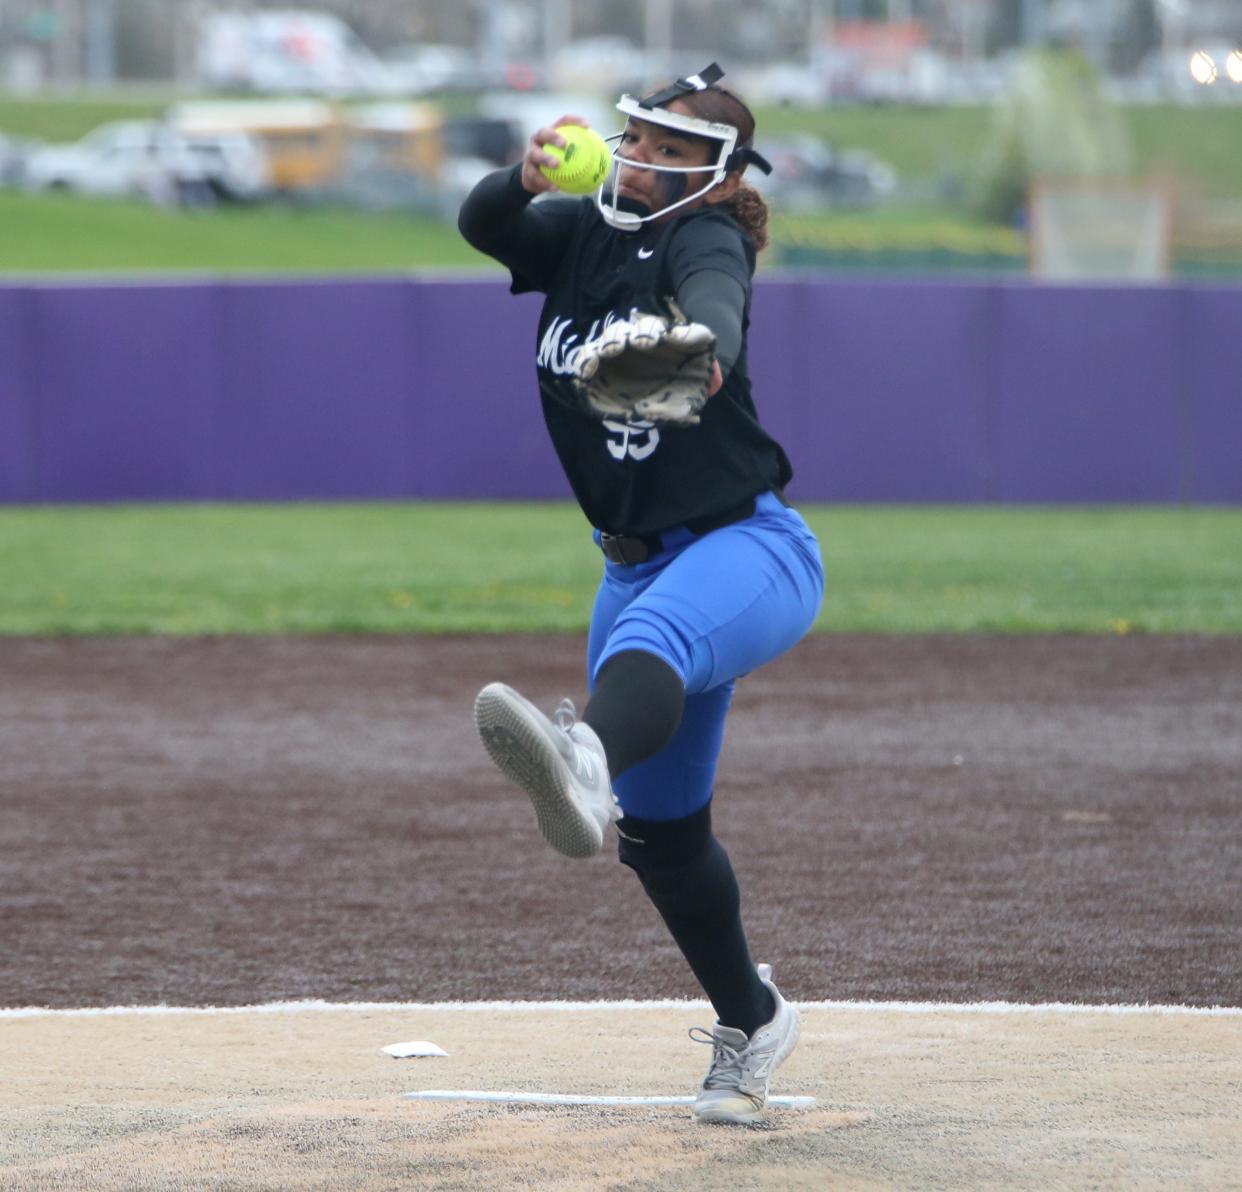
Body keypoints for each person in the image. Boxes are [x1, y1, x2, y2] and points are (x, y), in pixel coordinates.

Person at [457, 63, 824, 1125]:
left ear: (710, 169)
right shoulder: (578, 234)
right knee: (661, 836)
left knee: (651, 647)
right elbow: (484, 224)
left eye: (668, 148)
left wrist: (696, 356)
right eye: (638, 138)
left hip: (748, 547)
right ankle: (753, 1021)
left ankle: (584, 754)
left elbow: (718, 304)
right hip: (630, 558)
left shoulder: (707, 234)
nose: (642, 157)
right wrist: (521, 177)